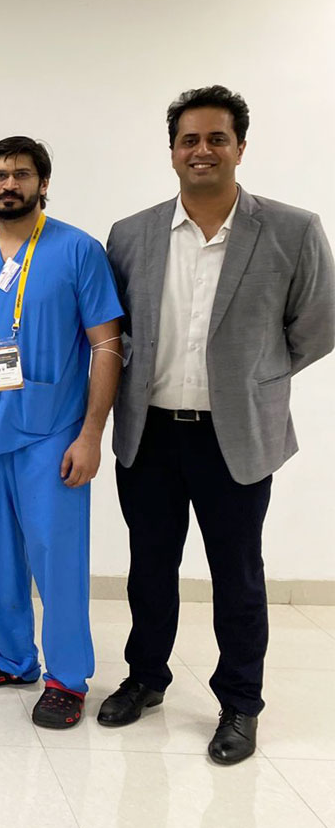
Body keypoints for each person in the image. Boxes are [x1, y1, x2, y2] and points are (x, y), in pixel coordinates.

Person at [103, 85, 335, 763]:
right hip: (149, 434)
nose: (201, 150)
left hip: (235, 435)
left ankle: (240, 704)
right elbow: (117, 330)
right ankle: (146, 678)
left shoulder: (292, 229)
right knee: (150, 567)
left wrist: (257, 374)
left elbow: (318, 325)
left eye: (216, 139)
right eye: (189, 139)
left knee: (237, 575)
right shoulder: (131, 234)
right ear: (172, 150)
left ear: (239, 147)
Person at [0, 136, 123, 729]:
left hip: (52, 434)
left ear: (43, 184)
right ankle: (13, 657)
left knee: (57, 559)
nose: (9, 184)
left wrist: (91, 434)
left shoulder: (78, 251)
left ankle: (67, 678)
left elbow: (106, 345)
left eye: (21, 174)